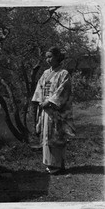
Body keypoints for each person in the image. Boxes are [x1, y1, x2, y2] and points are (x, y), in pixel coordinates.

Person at [32, 46, 76, 175]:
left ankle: (58, 165)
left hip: (56, 110)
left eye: (50, 56)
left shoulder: (63, 73)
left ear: (57, 57)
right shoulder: (45, 73)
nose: (48, 59)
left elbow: (63, 90)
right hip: (45, 110)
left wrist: (50, 102)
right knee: (46, 135)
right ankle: (48, 163)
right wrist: (41, 101)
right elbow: (39, 88)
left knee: (56, 135)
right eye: (46, 57)